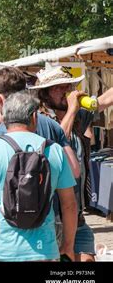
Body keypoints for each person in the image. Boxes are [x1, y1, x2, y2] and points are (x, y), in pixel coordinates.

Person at [0, 92, 78, 261]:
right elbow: (70, 205)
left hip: (0, 251)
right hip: (44, 251)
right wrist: (68, 245)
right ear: (34, 116)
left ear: (5, 118)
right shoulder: (55, 150)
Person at [31, 66, 113, 261]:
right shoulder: (39, 121)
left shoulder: (78, 117)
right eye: (58, 87)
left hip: (76, 214)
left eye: (67, 85)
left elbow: (103, 101)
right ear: (44, 94)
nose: (65, 90)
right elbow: (56, 141)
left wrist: (77, 109)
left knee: (87, 260)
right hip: (53, 215)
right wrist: (73, 110)